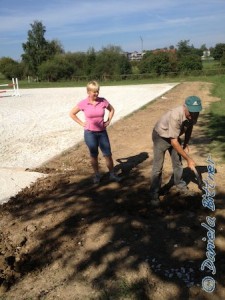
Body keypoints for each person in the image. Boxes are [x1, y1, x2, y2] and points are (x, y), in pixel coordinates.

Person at [149, 95, 203, 206]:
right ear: (185, 107)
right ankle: (154, 194)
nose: (193, 114)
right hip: (161, 137)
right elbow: (174, 142)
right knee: (158, 167)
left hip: (174, 135)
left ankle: (180, 185)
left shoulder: (194, 114)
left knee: (178, 163)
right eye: (191, 112)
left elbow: (190, 127)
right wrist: (189, 159)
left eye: (196, 112)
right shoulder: (175, 115)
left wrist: (186, 141)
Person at [69, 80, 121, 184]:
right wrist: (82, 123)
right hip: (90, 134)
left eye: (97, 91)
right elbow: (72, 113)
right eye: (94, 91)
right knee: (94, 155)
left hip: (102, 133)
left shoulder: (103, 101)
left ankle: (112, 174)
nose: (96, 93)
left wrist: (108, 121)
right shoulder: (83, 103)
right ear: (88, 92)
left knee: (108, 154)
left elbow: (112, 110)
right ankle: (97, 175)